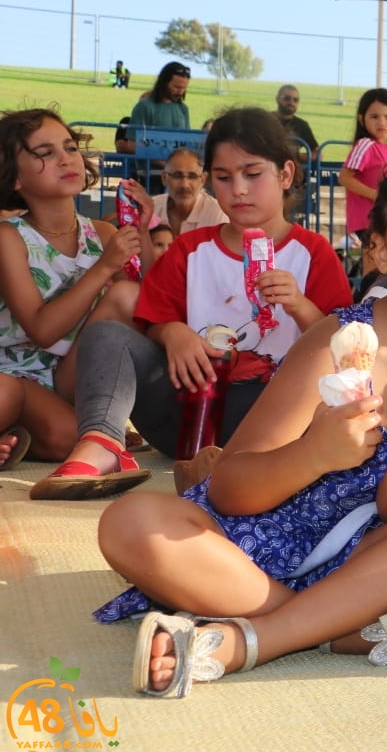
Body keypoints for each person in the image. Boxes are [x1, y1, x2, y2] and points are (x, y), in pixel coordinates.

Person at [91, 147, 387, 697]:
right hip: (238, 552)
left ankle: (250, 641)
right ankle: (329, 631)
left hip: (357, 566)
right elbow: (233, 488)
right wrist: (316, 453)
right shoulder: (331, 340)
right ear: (378, 249)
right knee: (129, 523)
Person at [29, 107, 353, 501]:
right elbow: (151, 316)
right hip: (185, 416)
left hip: (273, 421)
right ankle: (102, 444)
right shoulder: (190, 248)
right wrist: (174, 333)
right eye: (223, 177)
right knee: (108, 335)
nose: (238, 189)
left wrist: (300, 306)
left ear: (285, 175)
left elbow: (342, 346)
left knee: (314, 405)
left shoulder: (313, 252)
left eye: (253, 174)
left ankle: (235, 470)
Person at [0, 109, 143, 468]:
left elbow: (138, 313)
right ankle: (15, 432)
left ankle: (14, 437)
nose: (66, 158)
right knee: (14, 402)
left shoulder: (103, 234)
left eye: (69, 147)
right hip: (15, 376)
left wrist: (145, 228)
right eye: (45, 153)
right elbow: (42, 330)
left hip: (75, 379)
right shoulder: (10, 238)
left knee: (127, 298)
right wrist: (105, 266)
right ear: (15, 178)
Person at [339, 88, 387, 276]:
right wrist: (377, 195)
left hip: (382, 219)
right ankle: (369, 303)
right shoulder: (365, 145)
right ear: (361, 119)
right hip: (367, 220)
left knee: (382, 270)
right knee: (373, 271)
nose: (382, 122)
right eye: (374, 116)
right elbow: (345, 177)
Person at [150, 146, 228, 236]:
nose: (184, 185)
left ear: (202, 180)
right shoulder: (151, 209)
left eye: (192, 176)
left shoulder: (217, 215)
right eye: (177, 175)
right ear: (164, 178)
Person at [130, 62, 191, 129]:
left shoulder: (183, 109)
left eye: (184, 88)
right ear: (164, 83)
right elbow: (133, 138)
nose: (180, 92)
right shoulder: (144, 107)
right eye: (176, 87)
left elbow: (187, 138)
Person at [274, 84, 319, 157]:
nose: (291, 103)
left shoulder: (302, 125)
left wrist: (295, 156)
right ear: (277, 99)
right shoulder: (265, 119)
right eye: (287, 98)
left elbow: (318, 154)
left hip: (293, 166)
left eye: (296, 100)